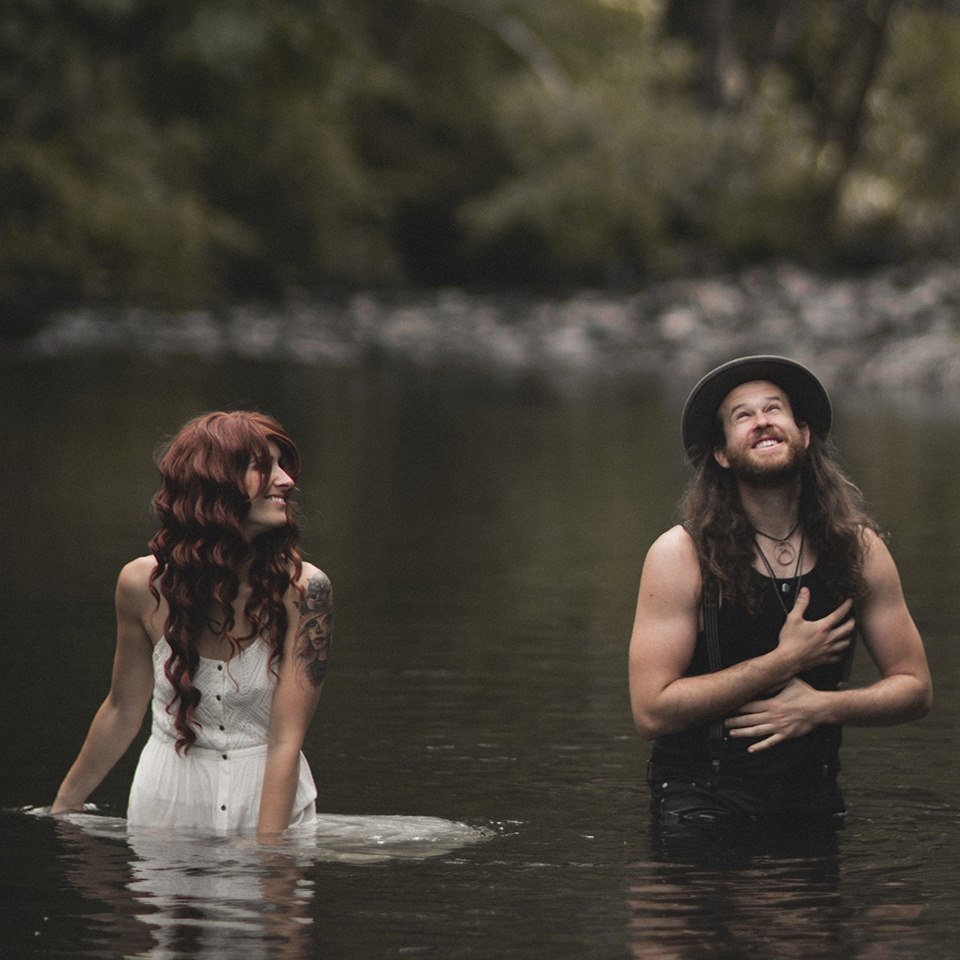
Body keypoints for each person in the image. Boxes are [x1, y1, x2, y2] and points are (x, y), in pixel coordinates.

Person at [628, 355, 932, 830]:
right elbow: (651, 711)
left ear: (804, 436)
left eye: (774, 409)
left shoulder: (858, 549)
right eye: (742, 415)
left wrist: (823, 707)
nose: (762, 421)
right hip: (702, 806)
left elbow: (915, 688)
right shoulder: (679, 555)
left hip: (813, 802)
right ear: (723, 453)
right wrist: (782, 662)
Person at [51, 411, 333, 839]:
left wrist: (272, 857)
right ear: (217, 483)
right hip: (165, 801)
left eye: (282, 465)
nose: (286, 481)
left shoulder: (306, 591)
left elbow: (285, 741)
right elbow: (122, 708)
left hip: (270, 800)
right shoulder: (140, 585)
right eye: (264, 467)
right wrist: (64, 810)